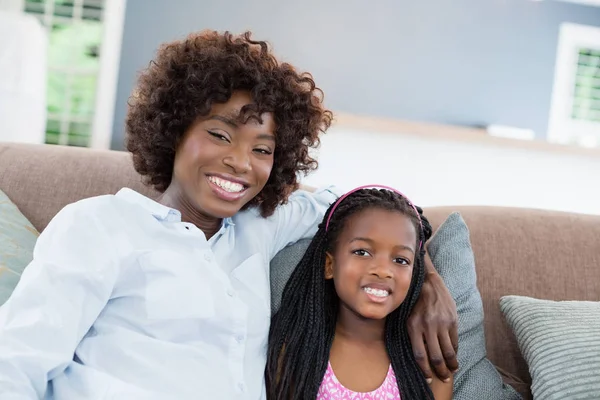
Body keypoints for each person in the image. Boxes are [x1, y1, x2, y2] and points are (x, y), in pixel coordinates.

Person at [0, 31, 456, 399]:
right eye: (220, 135)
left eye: (262, 149)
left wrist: (428, 278)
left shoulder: (258, 227)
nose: (241, 162)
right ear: (175, 130)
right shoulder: (100, 225)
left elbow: (364, 201)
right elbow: (16, 361)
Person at [266, 186, 454, 400]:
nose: (383, 270)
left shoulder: (426, 360)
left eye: (400, 260)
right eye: (362, 252)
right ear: (329, 265)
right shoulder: (296, 351)